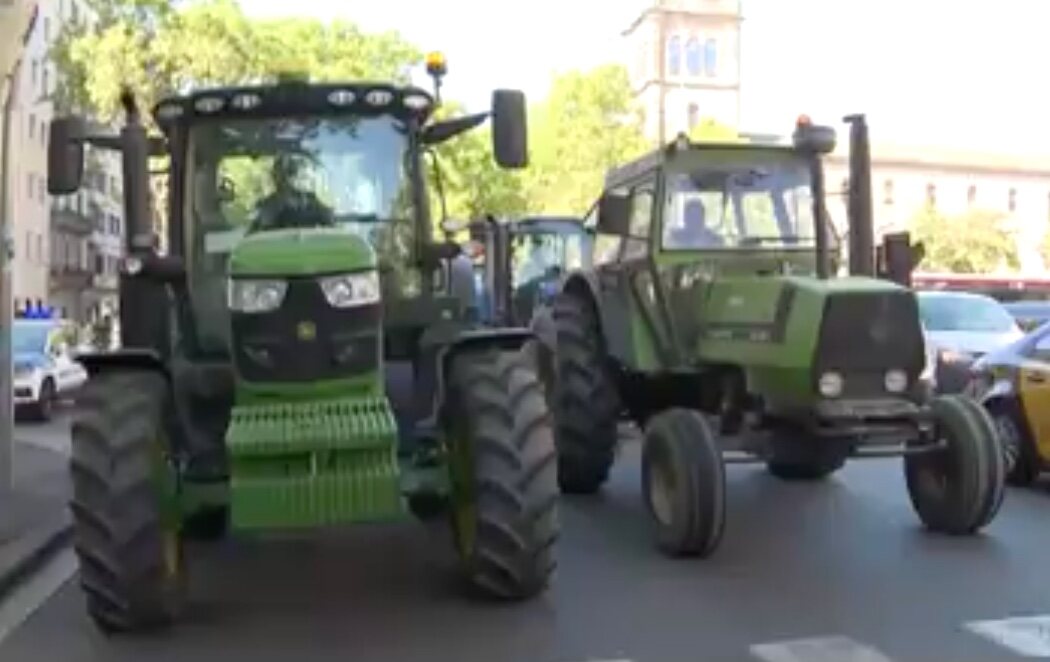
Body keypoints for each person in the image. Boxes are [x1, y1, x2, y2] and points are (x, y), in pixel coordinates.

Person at [250, 153, 334, 232]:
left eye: (311, 178)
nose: (310, 182)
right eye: (304, 177)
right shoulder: (271, 204)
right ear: (289, 179)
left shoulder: (311, 200)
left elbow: (331, 225)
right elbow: (258, 232)